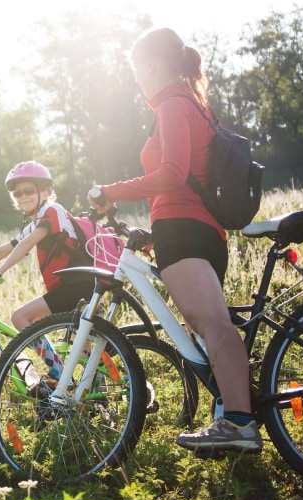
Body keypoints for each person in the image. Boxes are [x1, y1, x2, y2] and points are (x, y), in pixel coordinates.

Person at [87, 27, 261, 453]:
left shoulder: (173, 104)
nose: (134, 75)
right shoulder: (192, 103)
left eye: (134, 66)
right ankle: (229, 415)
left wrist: (109, 190)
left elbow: (172, 174)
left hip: (185, 229)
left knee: (210, 324)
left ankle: (239, 421)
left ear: (151, 63)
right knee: (205, 326)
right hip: (194, 229)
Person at [0, 161, 92, 378]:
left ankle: (57, 371)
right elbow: (4, 248)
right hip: (73, 288)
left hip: (78, 287)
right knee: (87, 354)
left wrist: (0, 272)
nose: (22, 197)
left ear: (46, 191)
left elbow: (28, 243)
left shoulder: (53, 211)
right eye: (17, 193)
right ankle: (100, 397)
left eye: (28, 190)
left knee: (20, 317)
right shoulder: (36, 223)